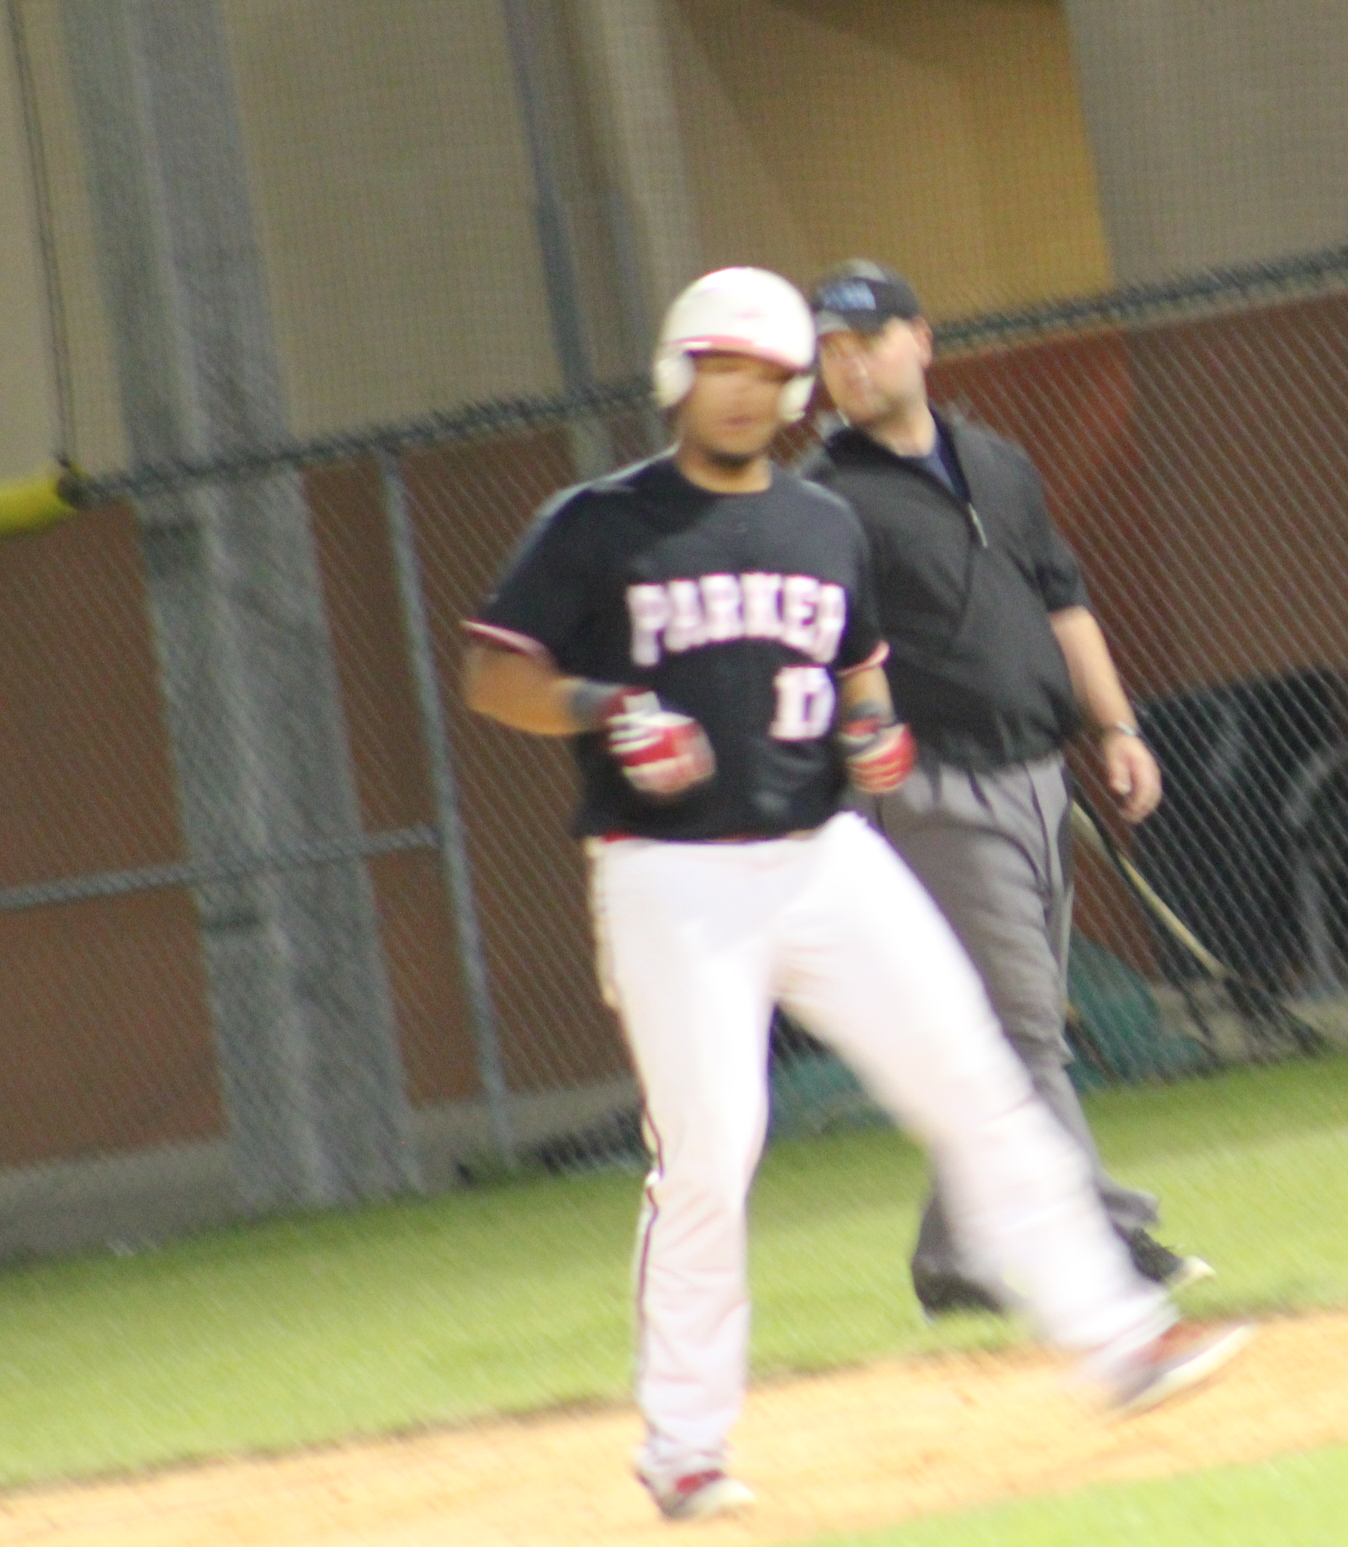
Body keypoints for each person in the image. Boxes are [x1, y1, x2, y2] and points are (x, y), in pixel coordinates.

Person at [461, 266, 1249, 1522]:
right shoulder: (600, 523)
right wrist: (603, 705)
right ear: (677, 378)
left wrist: (871, 730)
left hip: (823, 854)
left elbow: (858, 668)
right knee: (711, 1150)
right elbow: (494, 675)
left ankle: (1119, 1336)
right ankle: (684, 1447)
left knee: (977, 1076)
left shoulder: (821, 525)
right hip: (671, 875)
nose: (747, 394)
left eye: (770, 376)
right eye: (724, 369)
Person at [801, 261, 1212, 1319]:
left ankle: (957, 1260)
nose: (849, 366)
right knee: (1027, 1028)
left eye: (866, 341)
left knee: (994, 1032)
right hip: (932, 788)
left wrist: (1116, 726)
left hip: (1037, 772)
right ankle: (1105, 1238)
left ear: (920, 340)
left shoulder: (995, 462)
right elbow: (825, 650)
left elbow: (1063, 602)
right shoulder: (826, 498)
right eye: (830, 352)